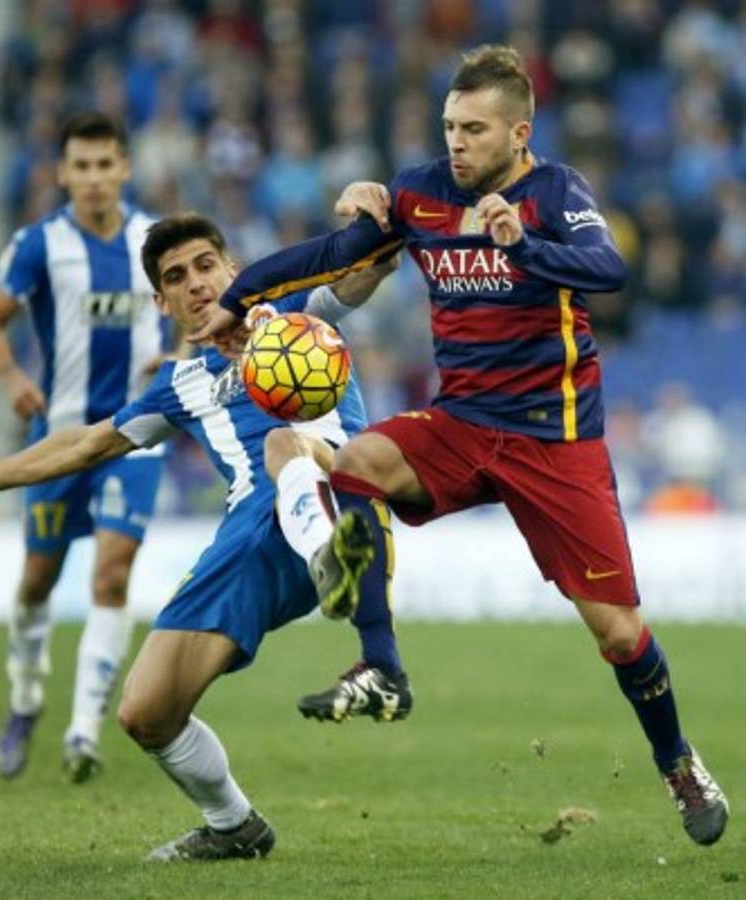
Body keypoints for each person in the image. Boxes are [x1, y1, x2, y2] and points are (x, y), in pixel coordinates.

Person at [186, 45, 729, 846]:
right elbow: (333, 256)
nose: (456, 143)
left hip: (556, 439)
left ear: (520, 131)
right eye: (449, 126)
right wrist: (238, 297)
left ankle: (677, 761)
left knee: (619, 636)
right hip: (462, 423)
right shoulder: (421, 193)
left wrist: (523, 247)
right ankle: (382, 668)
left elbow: (609, 268)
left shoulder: (555, 193)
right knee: (359, 463)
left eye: (473, 129)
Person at [0, 213, 395, 860]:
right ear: (162, 302)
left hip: (333, 488)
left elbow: (374, 266)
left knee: (287, 442)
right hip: (249, 537)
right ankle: (234, 826)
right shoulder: (179, 384)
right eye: (176, 277)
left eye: (206, 265)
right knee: (145, 714)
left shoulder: (288, 308)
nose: (196, 283)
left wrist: (367, 211)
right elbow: (91, 442)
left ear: (232, 269)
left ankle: (330, 554)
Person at [0, 111, 170, 782]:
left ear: (124, 168)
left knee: (112, 572)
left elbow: (198, 315)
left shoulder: (155, 240)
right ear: (62, 173)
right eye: (79, 167)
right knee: (38, 578)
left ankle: (84, 728)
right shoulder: (38, 245)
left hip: (135, 435)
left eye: (103, 164)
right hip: (58, 438)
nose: (92, 179)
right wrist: (11, 376)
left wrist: (179, 354)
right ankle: (26, 694)